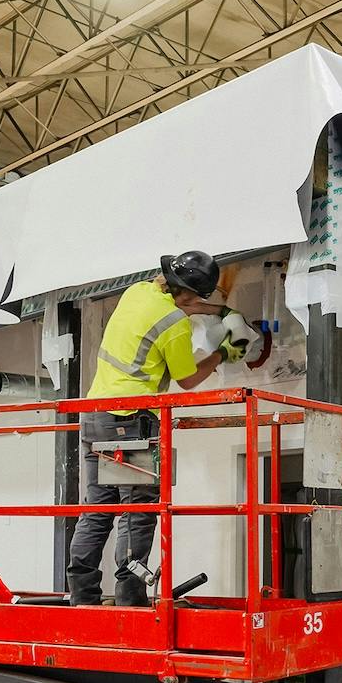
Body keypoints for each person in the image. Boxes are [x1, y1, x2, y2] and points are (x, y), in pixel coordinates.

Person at [66, 251, 246, 606]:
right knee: (138, 511)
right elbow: (189, 378)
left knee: (97, 510)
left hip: (95, 414)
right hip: (130, 420)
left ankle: (82, 597)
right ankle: (131, 598)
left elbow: (179, 308)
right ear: (188, 295)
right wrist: (223, 353)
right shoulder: (173, 323)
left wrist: (220, 313)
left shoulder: (138, 292)